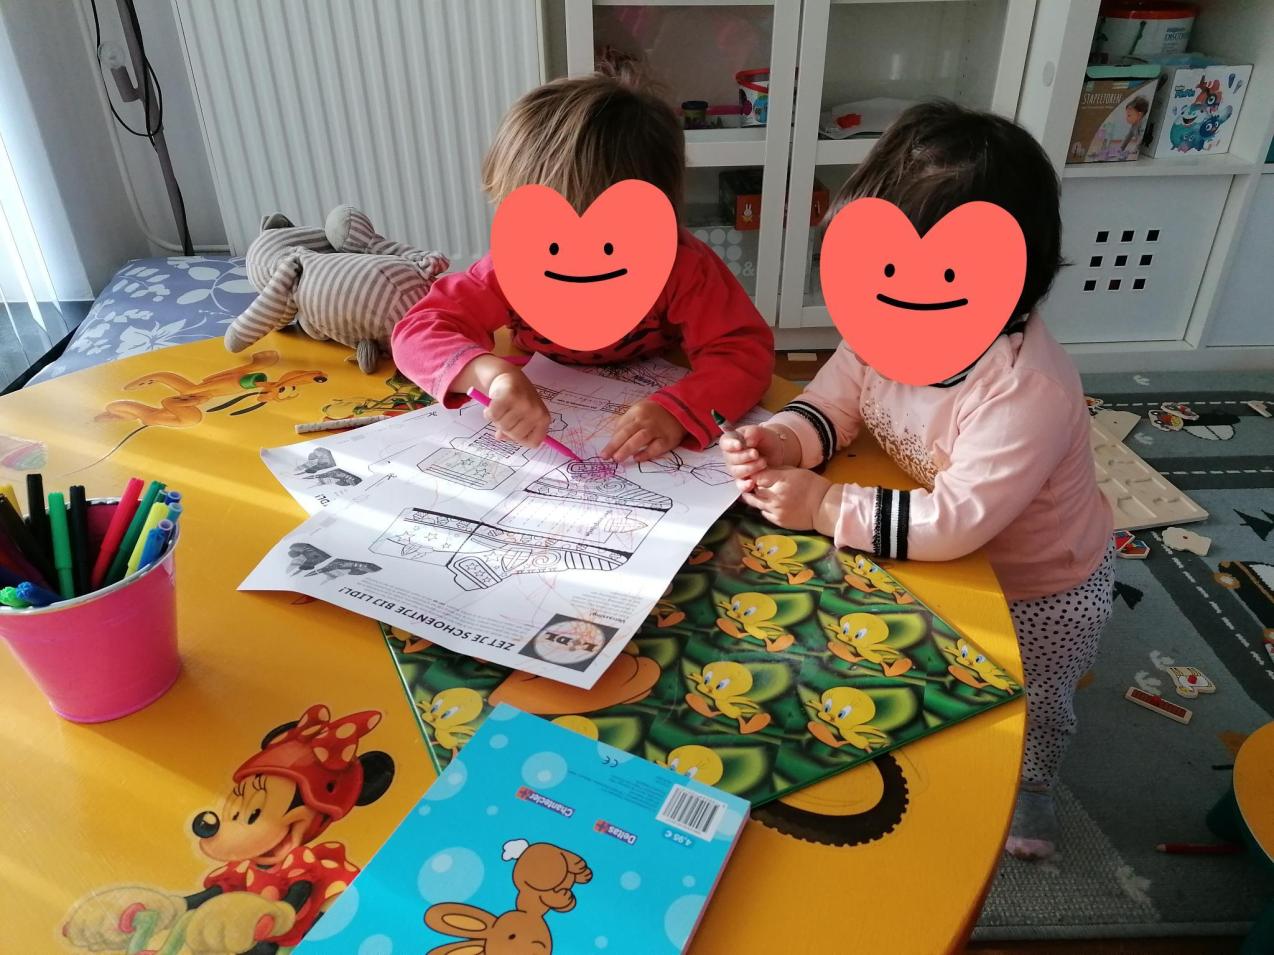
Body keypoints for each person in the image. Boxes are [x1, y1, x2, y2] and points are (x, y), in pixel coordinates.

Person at [721, 100, 1114, 861]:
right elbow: (834, 405)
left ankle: (1034, 786)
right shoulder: (882, 324)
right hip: (946, 556)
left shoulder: (1023, 386)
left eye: (937, 272)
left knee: (1033, 705)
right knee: (935, 679)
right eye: (885, 264)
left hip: (1042, 585)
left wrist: (824, 503)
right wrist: (783, 439)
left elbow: (958, 519)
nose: (899, 286)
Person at [391, 69, 774, 462]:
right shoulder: (511, 266)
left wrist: (679, 410)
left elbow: (744, 351)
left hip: (659, 382)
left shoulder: (684, 266)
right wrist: (491, 375)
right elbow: (417, 331)